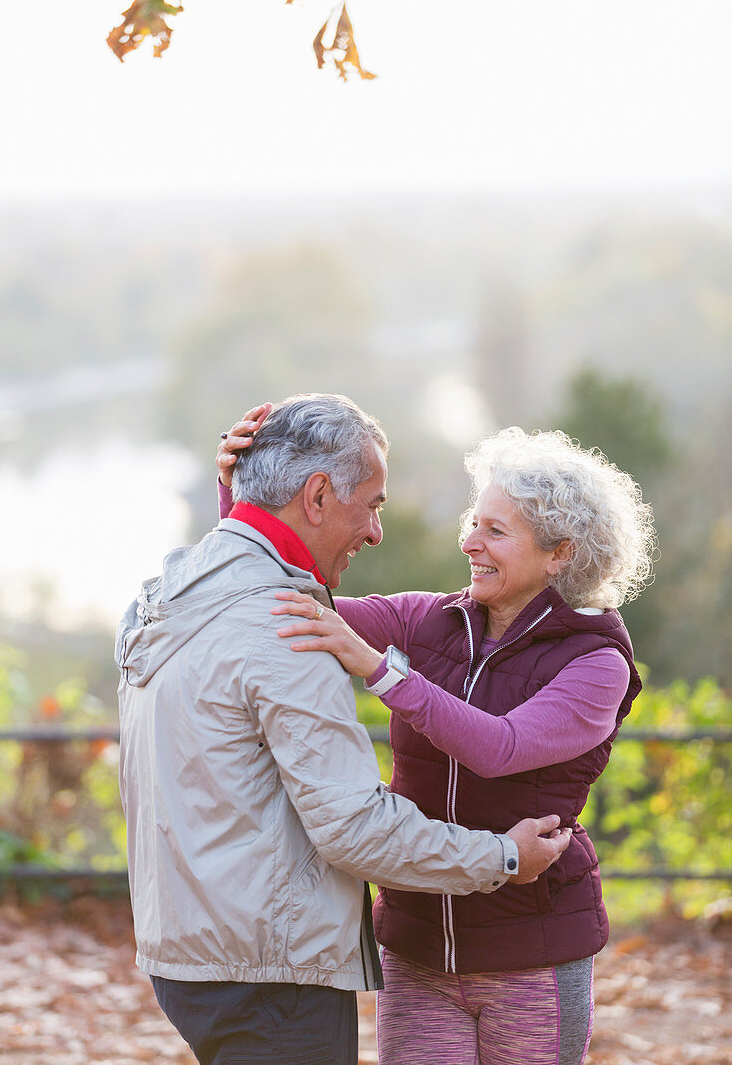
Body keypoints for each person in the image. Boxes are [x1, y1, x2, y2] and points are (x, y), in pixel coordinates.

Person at [117, 394, 571, 1065]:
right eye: (374, 504)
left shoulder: (170, 593)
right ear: (319, 495)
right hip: (272, 977)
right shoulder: (286, 627)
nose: (375, 532)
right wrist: (501, 859)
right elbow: (354, 828)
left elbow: (248, 561)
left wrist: (238, 497)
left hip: (186, 957)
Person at [216, 413, 655, 1065]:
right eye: (472, 523)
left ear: (559, 552)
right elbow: (287, 600)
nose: (470, 543)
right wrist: (244, 496)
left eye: (496, 531)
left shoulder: (595, 665)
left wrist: (380, 670)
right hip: (417, 951)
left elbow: (499, 748)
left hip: (530, 956)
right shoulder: (426, 620)